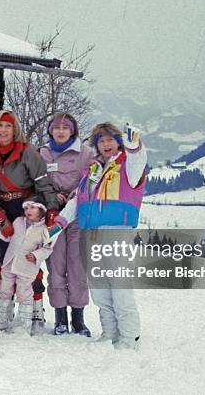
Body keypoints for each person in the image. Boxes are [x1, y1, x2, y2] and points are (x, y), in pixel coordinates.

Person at [58, 122, 147, 349]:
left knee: (119, 287)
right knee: (100, 290)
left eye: (110, 139)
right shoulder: (93, 171)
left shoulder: (128, 165)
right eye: (101, 140)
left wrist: (134, 145)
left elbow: (138, 159)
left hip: (117, 232)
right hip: (91, 235)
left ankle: (129, 337)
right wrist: (60, 222)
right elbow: (76, 201)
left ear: (118, 142)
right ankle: (110, 333)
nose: (106, 144)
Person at [0, 110, 59, 333]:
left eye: (8, 126)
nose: (3, 130)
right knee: (5, 261)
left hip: (27, 208)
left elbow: (43, 183)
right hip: (3, 209)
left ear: (14, 129)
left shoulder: (27, 152)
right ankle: (4, 311)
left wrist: (51, 209)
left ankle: (35, 311)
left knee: (30, 263)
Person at [39, 112, 96, 336]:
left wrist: (78, 192)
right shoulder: (43, 154)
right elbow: (38, 182)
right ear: (50, 130)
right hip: (53, 215)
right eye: (56, 127)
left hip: (78, 217)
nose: (61, 131)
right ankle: (60, 318)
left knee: (77, 265)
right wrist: (52, 196)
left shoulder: (85, 152)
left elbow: (93, 177)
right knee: (56, 266)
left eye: (66, 127)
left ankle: (79, 320)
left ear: (73, 130)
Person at [0, 199, 53, 333]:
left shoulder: (44, 229)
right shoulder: (18, 221)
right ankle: (1, 319)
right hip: (10, 261)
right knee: (4, 288)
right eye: (26, 208)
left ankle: (23, 323)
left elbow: (47, 249)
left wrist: (36, 255)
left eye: (32, 208)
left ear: (41, 211)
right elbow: (8, 237)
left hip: (26, 265)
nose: (28, 211)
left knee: (24, 292)